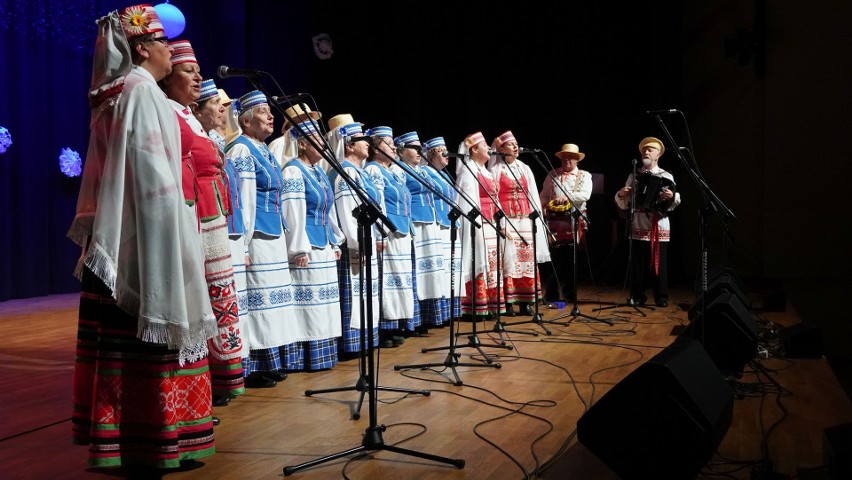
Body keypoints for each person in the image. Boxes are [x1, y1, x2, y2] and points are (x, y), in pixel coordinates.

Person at [67, 4, 216, 471]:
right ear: (142, 48)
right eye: (163, 44)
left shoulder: (114, 92)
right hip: (145, 234)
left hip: (118, 233)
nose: (170, 51)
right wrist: (172, 243)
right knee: (155, 331)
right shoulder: (142, 92)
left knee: (119, 342)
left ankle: (126, 440)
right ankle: (158, 441)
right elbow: (154, 178)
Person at [226, 90, 294, 385]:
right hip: (257, 236)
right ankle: (254, 366)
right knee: (258, 301)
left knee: (273, 302)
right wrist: (244, 243)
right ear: (245, 119)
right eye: (264, 111)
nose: (271, 116)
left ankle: (270, 360)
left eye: (270, 111)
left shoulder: (262, 149)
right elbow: (245, 200)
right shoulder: (242, 149)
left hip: (273, 233)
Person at [186, 78, 246, 404]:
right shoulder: (190, 134)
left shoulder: (211, 138)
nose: (222, 111)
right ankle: (207, 376)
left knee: (221, 298)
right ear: (198, 108)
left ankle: (224, 376)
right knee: (209, 298)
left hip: (217, 220)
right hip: (200, 221)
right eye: (216, 105)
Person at [280, 120, 345, 370]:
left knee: (326, 304)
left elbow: (328, 210)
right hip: (307, 246)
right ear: (303, 143)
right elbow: (293, 212)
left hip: (323, 243)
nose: (323, 145)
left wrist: (335, 240)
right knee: (310, 304)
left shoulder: (318, 171)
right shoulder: (293, 171)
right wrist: (298, 248)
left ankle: (324, 355)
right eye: (317, 140)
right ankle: (305, 357)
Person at [325, 114, 381, 355]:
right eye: (362, 139)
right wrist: (361, 245)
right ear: (348, 145)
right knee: (355, 294)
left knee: (366, 293)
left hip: (366, 241)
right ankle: (353, 343)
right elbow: (348, 214)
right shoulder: (344, 173)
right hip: (355, 245)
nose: (367, 143)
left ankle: (365, 340)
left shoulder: (360, 172)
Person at [364, 126, 416, 347]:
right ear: (376, 148)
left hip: (402, 231)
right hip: (390, 232)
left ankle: (397, 323)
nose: (394, 146)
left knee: (400, 280)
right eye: (388, 142)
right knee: (389, 278)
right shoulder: (374, 170)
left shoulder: (394, 171)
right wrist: (381, 232)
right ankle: (386, 326)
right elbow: (379, 204)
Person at [488, 130, 550, 316]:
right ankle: (508, 302)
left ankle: (525, 302)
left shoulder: (525, 168)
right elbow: (494, 198)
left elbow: (532, 196)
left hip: (524, 220)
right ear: (500, 149)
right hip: (507, 221)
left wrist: (536, 219)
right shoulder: (495, 170)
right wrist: (499, 223)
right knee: (509, 261)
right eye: (510, 144)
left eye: (516, 143)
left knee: (526, 262)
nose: (515, 147)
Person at [615, 136, 681, 307]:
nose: (646, 151)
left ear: (658, 155)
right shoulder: (634, 174)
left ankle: (661, 297)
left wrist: (671, 196)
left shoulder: (666, 176)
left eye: (650, 149)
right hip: (638, 222)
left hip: (657, 223)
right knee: (637, 264)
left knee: (660, 262)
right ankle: (637, 296)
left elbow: (673, 201)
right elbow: (624, 200)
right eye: (644, 149)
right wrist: (622, 194)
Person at [395, 131, 444, 331]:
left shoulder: (422, 170)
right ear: (401, 151)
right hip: (415, 223)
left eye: (419, 148)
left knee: (430, 274)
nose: (418, 152)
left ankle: (428, 315)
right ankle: (417, 318)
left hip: (429, 221)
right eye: (413, 148)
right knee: (419, 273)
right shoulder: (400, 170)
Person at [455, 132, 507, 318]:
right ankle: (475, 306)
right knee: (479, 261)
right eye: (485, 145)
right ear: (474, 149)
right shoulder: (469, 171)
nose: (489, 148)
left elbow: (494, 198)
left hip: (491, 224)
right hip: (479, 225)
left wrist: (500, 223)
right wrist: (476, 225)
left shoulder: (485, 171)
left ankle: (490, 304)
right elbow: (467, 203)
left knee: (492, 265)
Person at [540, 143, 593, 303]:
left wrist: (568, 197)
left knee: (572, 259)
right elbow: (543, 194)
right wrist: (542, 206)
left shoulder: (584, 175)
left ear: (577, 160)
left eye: (570, 157)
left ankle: (570, 295)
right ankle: (551, 294)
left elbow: (585, 195)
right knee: (553, 259)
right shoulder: (552, 174)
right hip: (554, 222)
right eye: (564, 157)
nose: (567, 160)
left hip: (574, 222)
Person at [421, 137, 462, 324]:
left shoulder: (444, 174)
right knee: (441, 271)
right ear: (430, 154)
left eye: (447, 149)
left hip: (449, 224)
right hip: (439, 225)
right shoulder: (425, 172)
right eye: (441, 150)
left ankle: (448, 311)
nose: (446, 154)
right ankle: (438, 312)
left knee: (450, 270)